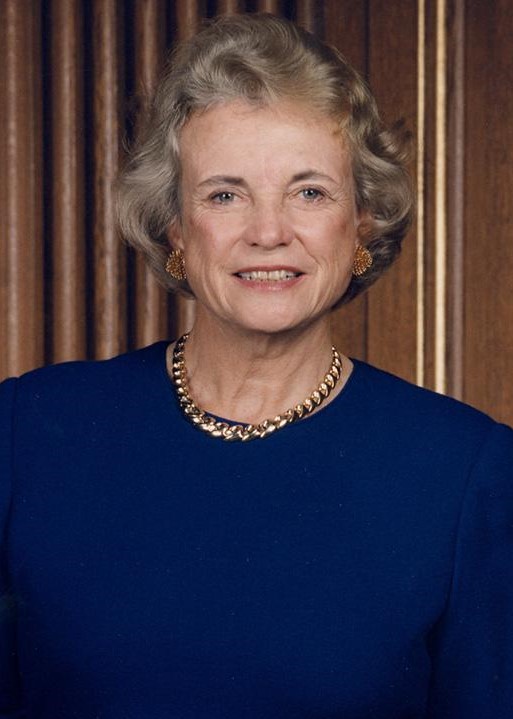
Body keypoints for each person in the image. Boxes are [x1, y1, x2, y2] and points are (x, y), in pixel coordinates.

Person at [1, 13, 512, 719]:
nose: (268, 231)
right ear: (175, 228)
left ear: (361, 223)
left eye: (309, 192)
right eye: (225, 194)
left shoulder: (465, 472)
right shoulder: (28, 432)